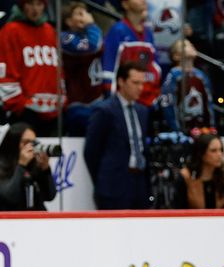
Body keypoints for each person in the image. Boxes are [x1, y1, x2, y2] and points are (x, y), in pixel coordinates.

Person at [84, 62, 150, 210]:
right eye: (135, 83)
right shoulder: (104, 110)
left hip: (139, 183)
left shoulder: (143, 111)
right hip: (113, 185)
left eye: (142, 83)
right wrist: (103, 179)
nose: (140, 88)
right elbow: (91, 152)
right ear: (121, 81)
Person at [0, 0, 63, 136]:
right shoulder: (10, 31)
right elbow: (5, 71)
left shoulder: (50, 30)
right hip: (24, 112)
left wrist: (62, 100)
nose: (35, 9)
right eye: (30, 3)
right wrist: (19, 106)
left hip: (54, 111)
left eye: (39, 4)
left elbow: (59, 69)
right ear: (22, 5)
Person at [101, 0, 161, 107]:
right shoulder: (117, 30)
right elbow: (109, 67)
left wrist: (155, 93)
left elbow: (154, 66)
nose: (143, 1)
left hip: (149, 98)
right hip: (125, 99)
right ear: (125, 4)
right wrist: (111, 96)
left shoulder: (148, 33)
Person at [0, 122, 56, 210]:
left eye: (33, 143)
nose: (30, 147)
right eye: (26, 142)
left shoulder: (34, 162)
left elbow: (49, 196)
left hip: (35, 217)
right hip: (9, 218)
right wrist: (21, 165)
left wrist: (45, 169)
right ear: (13, 142)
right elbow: (10, 197)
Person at [60, 1, 103, 136]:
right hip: (77, 103)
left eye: (85, 13)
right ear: (68, 20)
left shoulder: (91, 34)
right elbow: (91, 46)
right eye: (79, 14)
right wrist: (91, 25)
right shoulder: (65, 38)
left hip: (97, 99)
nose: (84, 17)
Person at [159, 39, 215, 132]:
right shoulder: (173, 76)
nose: (191, 46)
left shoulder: (201, 75)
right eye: (185, 45)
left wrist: (211, 127)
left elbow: (208, 103)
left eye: (191, 44)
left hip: (203, 130)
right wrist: (177, 130)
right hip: (183, 130)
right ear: (176, 56)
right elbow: (168, 105)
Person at [177, 133, 224, 208]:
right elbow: (178, 210)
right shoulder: (186, 177)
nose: (219, 154)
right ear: (201, 153)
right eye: (213, 151)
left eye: (221, 150)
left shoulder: (222, 176)